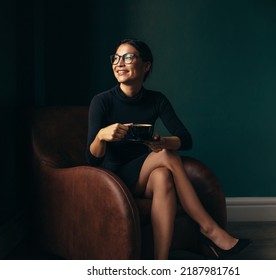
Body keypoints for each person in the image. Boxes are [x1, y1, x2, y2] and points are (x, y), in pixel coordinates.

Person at [86, 39, 250, 259]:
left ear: (146, 66)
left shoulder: (156, 100)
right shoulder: (102, 101)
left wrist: (163, 142)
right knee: (165, 156)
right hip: (115, 178)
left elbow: (185, 139)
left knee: (163, 176)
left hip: (145, 176)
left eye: (128, 57)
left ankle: (160, 264)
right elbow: (91, 160)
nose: (119, 63)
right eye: (116, 58)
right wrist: (101, 136)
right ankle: (208, 228)